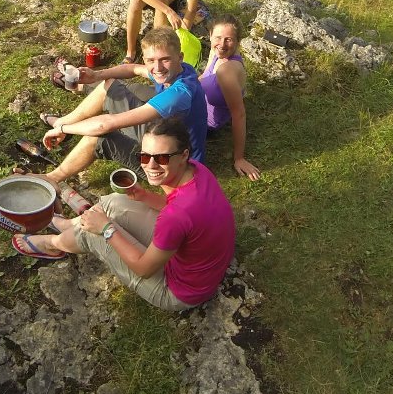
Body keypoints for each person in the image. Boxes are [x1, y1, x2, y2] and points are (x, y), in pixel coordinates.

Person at [12, 118, 235, 312]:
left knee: (95, 234)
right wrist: (144, 196)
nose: (151, 165)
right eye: (144, 156)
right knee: (113, 202)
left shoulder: (177, 215)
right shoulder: (196, 170)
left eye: (162, 158)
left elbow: (144, 269)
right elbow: (181, 213)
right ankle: (70, 225)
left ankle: (53, 244)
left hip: (178, 290)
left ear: (183, 155)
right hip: (199, 260)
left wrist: (107, 229)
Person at [39, 28, 209, 183]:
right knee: (111, 85)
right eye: (151, 60)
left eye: (164, 60)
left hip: (172, 163)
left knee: (98, 136)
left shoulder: (179, 94)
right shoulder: (179, 70)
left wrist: (65, 130)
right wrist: (96, 75)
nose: (157, 67)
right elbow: (133, 69)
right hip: (168, 131)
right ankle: (62, 121)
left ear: (179, 57)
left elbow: (106, 124)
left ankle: (52, 178)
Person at [199, 14, 260, 181]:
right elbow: (204, 76)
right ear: (210, 36)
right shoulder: (215, 51)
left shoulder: (227, 70)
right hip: (194, 104)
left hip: (203, 123)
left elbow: (239, 114)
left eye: (229, 39)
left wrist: (239, 158)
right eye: (218, 37)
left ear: (237, 42)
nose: (222, 44)